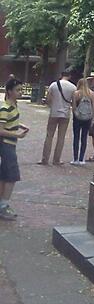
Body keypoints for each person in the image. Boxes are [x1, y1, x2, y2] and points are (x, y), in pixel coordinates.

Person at [0, 77, 29, 220]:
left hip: (8, 145)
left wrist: (19, 125)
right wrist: (16, 134)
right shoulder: (6, 108)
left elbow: (9, 122)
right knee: (11, 176)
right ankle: (3, 206)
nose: (20, 92)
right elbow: (0, 129)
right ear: (9, 91)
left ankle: (2, 205)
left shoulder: (12, 105)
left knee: (4, 176)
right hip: (7, 145)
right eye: (17, 90)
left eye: (21, 89)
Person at [39, 70, 76, 166]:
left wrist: (52, 105)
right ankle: (56, 159)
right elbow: (74, 103)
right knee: (61, 137)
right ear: (70, 76)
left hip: (54, 113)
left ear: (61, 75)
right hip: (65, 114)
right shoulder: (73, 87)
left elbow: (48, 99)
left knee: (49, 136)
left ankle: (45, 159)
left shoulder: (53, 85)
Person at [70, 78, 94, 166]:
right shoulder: (92, 94)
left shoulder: (76, 93)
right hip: (87, 118)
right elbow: (93, 108)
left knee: (76, 138)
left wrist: (76, 114)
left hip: (77, 118)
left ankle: (75, 159)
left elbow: (73, 107)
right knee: (84, 138)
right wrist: (91, 118)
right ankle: (82, 159)